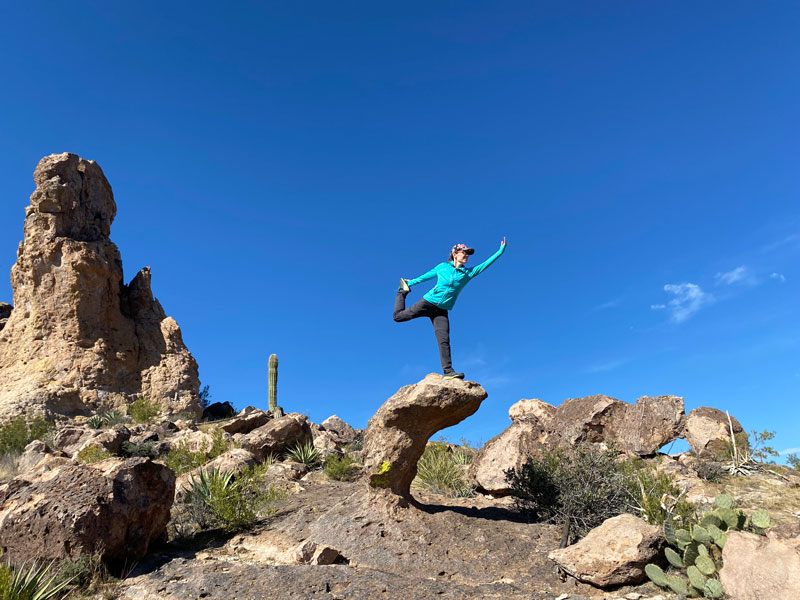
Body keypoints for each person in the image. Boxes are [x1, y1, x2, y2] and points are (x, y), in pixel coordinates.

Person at [393, 238, 507, 379]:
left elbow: (485, 265)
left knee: (444, 340)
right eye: (463, 252)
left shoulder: (467, 274)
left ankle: (448, 372)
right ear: (454, 253)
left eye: (468, 253)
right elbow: (426, 276)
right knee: (398, 317)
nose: (466, 255)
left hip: (442, 310)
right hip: (428, 302)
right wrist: (410, 283)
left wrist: (500, 251)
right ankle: (401, 293)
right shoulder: (442, 267)